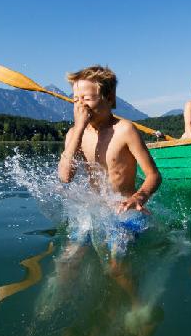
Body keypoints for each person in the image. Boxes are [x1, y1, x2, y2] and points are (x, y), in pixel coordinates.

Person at [57, 65, 162, 287]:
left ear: (110, 98)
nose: (80, 105)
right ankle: (51, 305)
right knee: (68, 260)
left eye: (86, 98)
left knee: (116, 265)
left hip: (126, 210)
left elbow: (154, 176)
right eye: (75, 99)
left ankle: (137, 308)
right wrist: (78, 128)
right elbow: (65, 177)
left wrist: (139, 197)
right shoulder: (75, 134)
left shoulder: (125, 130)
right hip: (97, 209)